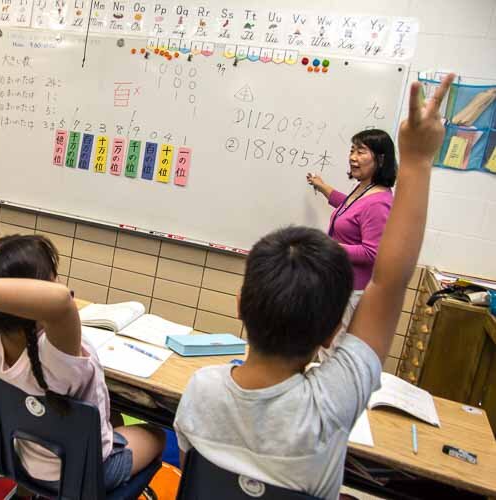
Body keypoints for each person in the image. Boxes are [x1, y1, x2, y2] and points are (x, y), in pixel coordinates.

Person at [174, 76, 454, 499]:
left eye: (361, 149)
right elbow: (390, 282)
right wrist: (419, 162)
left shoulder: (201, 389)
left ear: (240, 306)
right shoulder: (330, 405)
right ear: (330, 333)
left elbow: (378, 262)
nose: (354, 155)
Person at [0, 233, 167, 491]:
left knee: (110, 418)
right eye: (51, 279)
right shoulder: (58, 357)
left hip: (20, 463)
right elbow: (61, 301)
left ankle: (28, 492)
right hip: (84, 476)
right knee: (156, 434)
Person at [307, 129, 397, 358]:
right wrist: (323, 186)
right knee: (322, 347)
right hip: (338, 284)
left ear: (381, 159)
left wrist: (327, 247)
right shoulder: (364, 189)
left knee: (331, 353)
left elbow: (372, 252)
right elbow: (347, 207)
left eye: (361, 151)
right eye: (352, 150)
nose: (353, 157)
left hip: (353, 291)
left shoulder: (379, 202)